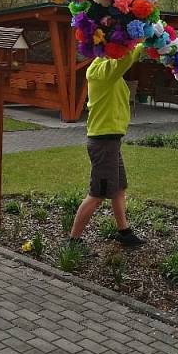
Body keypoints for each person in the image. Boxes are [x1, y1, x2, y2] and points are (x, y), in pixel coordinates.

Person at [69, 43, 147, 247]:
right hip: (103, 143)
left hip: (110, 142)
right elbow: (125, 60)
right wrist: (143, 42)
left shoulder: (105, 66)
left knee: (119, 187)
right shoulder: (100, 70)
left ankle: (124, 231)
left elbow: (121, 61)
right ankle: (73, 241)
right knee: (98, 194)